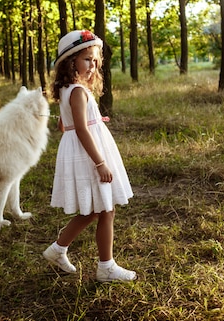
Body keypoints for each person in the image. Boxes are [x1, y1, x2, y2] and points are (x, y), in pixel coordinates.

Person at [42, 30, 136, 282]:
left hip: (80, 151)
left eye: (96, 60)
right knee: (106, 210)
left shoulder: (68, 90)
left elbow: (65, 126)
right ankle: (106, 267)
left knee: (94, 210)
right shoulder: (77, 92)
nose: (92, 65)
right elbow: (82, 129)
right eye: (86, 59)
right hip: (89, 154)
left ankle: (58, 249)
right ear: (70, 62)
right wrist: (100, 162)